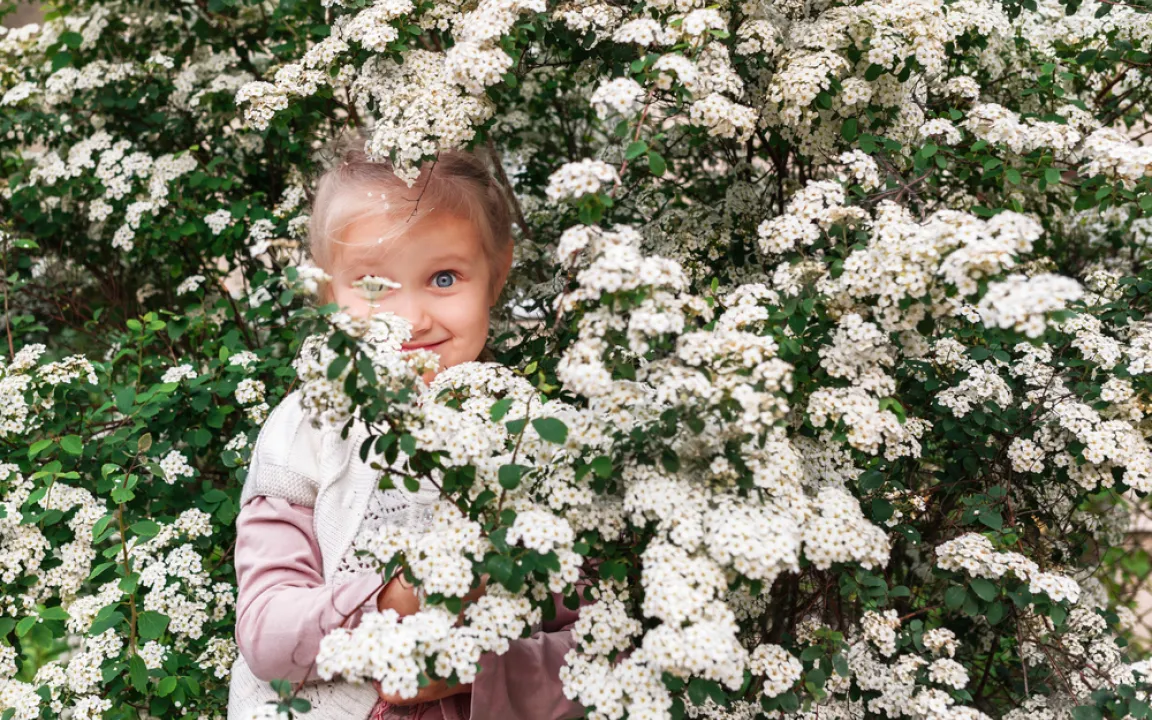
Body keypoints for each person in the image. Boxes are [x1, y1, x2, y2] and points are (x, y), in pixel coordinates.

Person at [227, 129, 585, 720]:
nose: (412, 319)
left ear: (496, 275)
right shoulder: (308, 431)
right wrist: (396, 599)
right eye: (373, 286)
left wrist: (468, 670)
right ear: (327, 292)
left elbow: (601, 648)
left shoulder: (536, 440)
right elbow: (266, 633)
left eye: (444, 278)